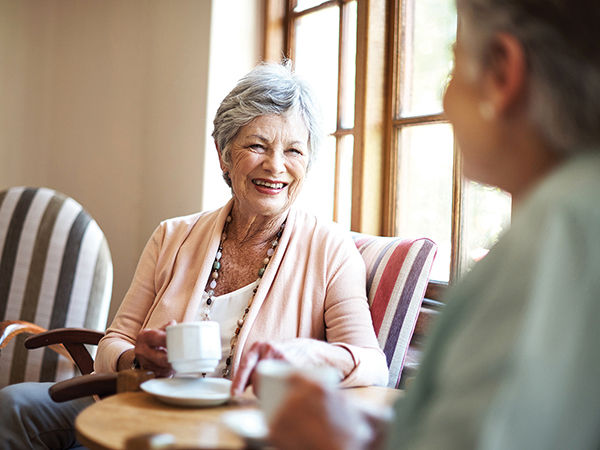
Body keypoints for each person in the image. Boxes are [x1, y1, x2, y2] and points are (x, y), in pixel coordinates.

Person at [0, 62, 388, 449]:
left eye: (294, 151)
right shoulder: (173, 235)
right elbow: (113, 340)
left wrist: (311, 354)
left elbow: (373, 365)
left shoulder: (330, 249)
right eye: (257, 145)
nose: (275, 165)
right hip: (146, 404)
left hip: (245, 424)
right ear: (224, 154)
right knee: (13, 405)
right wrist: (137, 359)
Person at [268, 0, 600, 449]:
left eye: (453, 65)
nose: (445, 100)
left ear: (502, 75)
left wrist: (336, 441)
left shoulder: (556, 234)